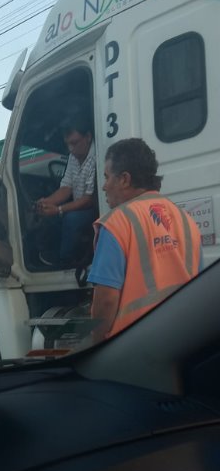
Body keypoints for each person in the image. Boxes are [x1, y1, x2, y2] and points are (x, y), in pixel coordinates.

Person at [87, 138, 201, 344]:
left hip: (134, 344)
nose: (103, 186)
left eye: (106, 177)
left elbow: (105, 300)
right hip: (185, 335)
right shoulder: (186, 220)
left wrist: (96, 344)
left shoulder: (116, 223)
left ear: (124, 179)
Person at [34, 118, 99, 268]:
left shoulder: (96, 156)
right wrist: (47, 202)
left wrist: (58, 209)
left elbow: (89, 200)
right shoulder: (73, 157)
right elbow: (66, 187)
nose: (70, 149)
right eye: (68, 144)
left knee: (72, 219)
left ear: (88, 137)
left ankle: (65, 260)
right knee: (50, 217)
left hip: (93, 208)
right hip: (80, 203)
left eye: (75, 143)